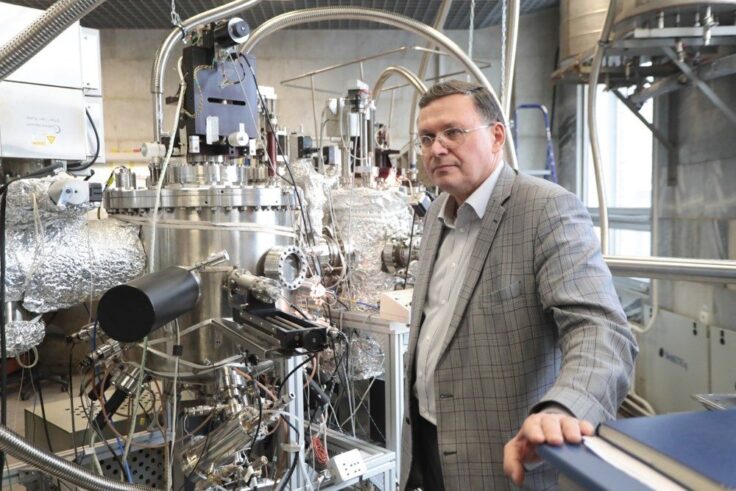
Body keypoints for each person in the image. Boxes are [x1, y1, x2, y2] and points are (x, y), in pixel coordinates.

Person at [400, 80, 638, 490]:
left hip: (502, 457)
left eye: (453, 132)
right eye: (426, 138)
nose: (436, 148)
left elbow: (600, 329)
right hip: (428, 441)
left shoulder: (546, 208)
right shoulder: (437, 212)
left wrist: (562, 409)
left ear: (496, 136)